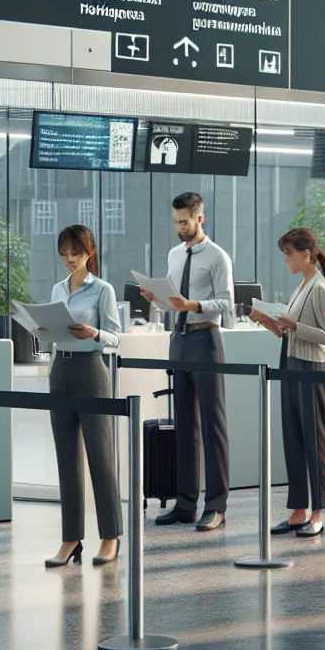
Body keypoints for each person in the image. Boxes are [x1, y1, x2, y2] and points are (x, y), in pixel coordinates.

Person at [141, 192, 234, 532]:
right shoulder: (174, 255)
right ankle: (184, 504)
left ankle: (216, 506)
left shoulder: (218, 257)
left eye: (185, 221)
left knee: (213, 427)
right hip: (178, 341)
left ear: (200, 219)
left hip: (206, 341)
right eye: (177, 221)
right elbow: (174, 303)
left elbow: (226, 304)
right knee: (184, 426)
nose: (180, 227)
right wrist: (159, 299)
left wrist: (192, 305)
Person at [42, 224, 123, 568]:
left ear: (89, 252)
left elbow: (117, 338)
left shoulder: (102, 289)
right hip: (60, 370)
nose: (69, 259)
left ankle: (110, 537)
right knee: (67, 461)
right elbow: (50, 334)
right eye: (64, 253)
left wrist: (95, 333)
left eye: (75, 252)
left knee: (101, 459)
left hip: (92, 371)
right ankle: (70, 539)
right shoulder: (57, 289)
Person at [250, 228, 325, 537]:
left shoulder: (319, 288)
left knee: (315, 440)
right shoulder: (301, 287)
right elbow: (290, 332)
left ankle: (317, 512)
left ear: (306, 254)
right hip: (291, 362)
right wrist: (269, 322)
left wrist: (295, 325)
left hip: (311, 367)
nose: (285, 258)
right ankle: (298, 509)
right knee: (294, 438)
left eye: (288, 252)